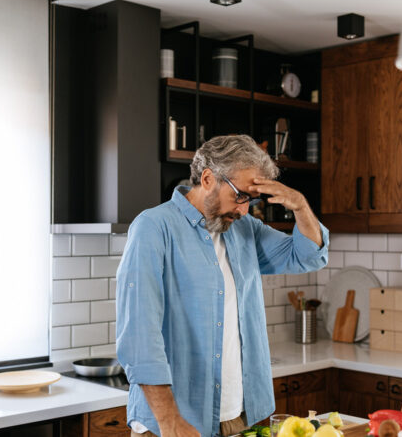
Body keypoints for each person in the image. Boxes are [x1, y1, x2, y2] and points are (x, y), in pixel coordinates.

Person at [116, 135, 329, 437]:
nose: (245, 210)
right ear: (207, 178)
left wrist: (299, 205)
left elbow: (308, 256)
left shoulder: (245, 230)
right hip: (176, 422)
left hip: (239, 416)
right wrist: (169, 420)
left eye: (251, 200)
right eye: (241, 195)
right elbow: (139, 337)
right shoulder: (153, 228)